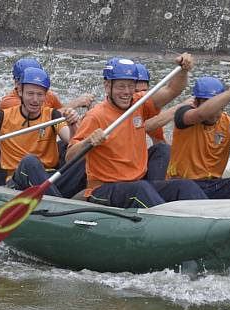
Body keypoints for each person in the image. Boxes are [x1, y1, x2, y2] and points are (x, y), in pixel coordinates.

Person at [66, 55, 208, 208]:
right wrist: (89, 141)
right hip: (102, 189)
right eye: (121, 86)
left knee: (184, 186)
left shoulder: (139, 103)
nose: (127, 92)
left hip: (136, 184)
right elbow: (70, 157)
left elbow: (173, 89)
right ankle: (168, 223)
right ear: (107, 86)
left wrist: (183, 71)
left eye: (130, 86)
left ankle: (209, 220)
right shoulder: (95, 116)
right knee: (141, 189)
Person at [0, 66, 85, 198]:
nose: (35, 100)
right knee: (29, 161)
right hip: (17, 182)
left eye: (40, 94)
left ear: (46, 95)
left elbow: (71, 140)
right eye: (30, 93)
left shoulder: (53, 115)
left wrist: (73, 124)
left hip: (49, 178)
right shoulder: (3, 117)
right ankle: (59, 206)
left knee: (84, 155)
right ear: (20, 92)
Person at [0, 57, 95, 111]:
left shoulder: (49, 95)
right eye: (29, 82)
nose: (35, 99)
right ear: (17, 83)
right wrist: (76, 103)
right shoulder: (8, 102)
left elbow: (62, 121)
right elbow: (40, 120)